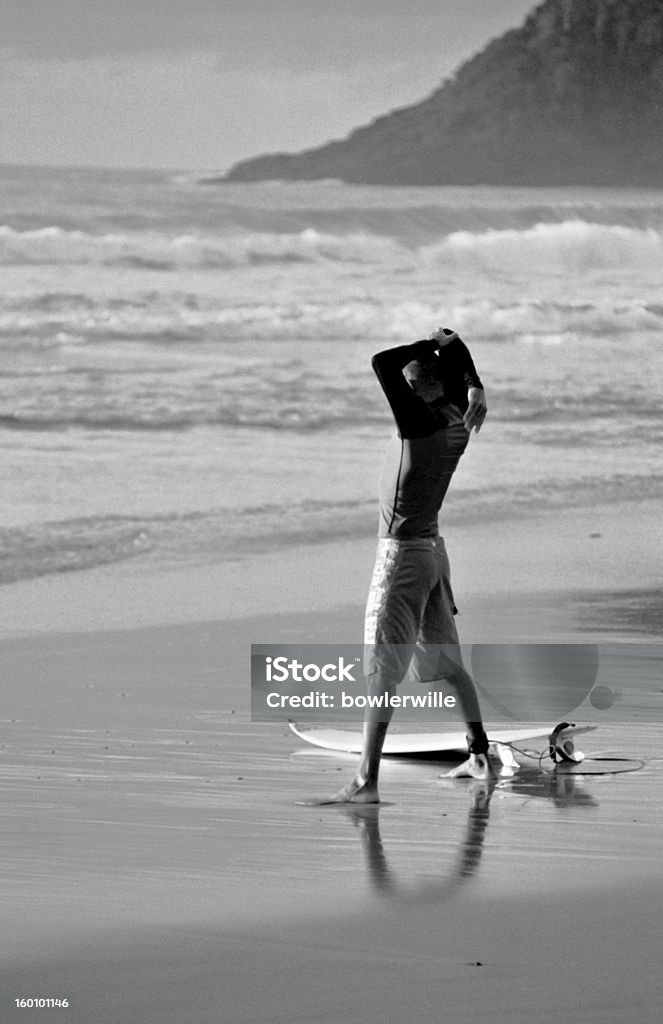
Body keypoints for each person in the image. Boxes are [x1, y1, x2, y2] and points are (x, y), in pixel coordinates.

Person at [329, 326, 495, 804]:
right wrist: (473, 379)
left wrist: (426, 345)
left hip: (400, 559)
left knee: (381, 669)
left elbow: (382, 363)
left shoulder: (417, 426)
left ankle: (366, 778)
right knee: (448, 662)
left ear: (421, 389)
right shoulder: (461, 418)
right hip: (433, 554)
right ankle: (478, 753)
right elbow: (456, 343)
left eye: (410, 383)